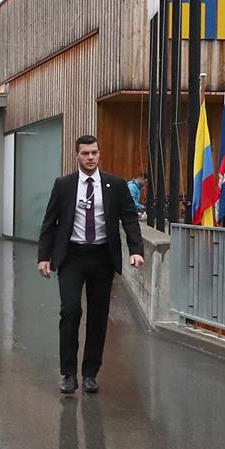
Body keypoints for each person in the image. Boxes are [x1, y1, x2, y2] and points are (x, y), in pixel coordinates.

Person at [37, 135, 144, 395]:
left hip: (101, 257)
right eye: (85, 153)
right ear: (77, 156)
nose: (90, 157)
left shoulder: (115, 185)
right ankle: (68, 374)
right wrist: (44, 257)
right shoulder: (63, 185)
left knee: (98, 317)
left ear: (99, 154)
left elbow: (129, 218)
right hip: (71, 256)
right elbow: (50, 222)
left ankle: (90, 374)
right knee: (70, 312)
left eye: (94, 152)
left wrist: (136, 250)